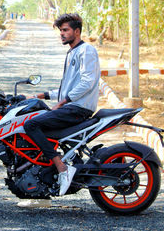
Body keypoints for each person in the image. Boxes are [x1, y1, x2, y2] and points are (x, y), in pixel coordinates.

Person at [23, 13, 100, 197]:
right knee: (37, 122)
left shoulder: (86, 50)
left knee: (31, 124)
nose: (62, 34)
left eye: (65, 30)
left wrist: (63, 102)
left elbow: (87, 82)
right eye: (61, 31)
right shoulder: (72, 52)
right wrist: (38, 95)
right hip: (72, 106)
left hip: (78, 108)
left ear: (77, 31)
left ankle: (62, 169)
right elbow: (68, 89)